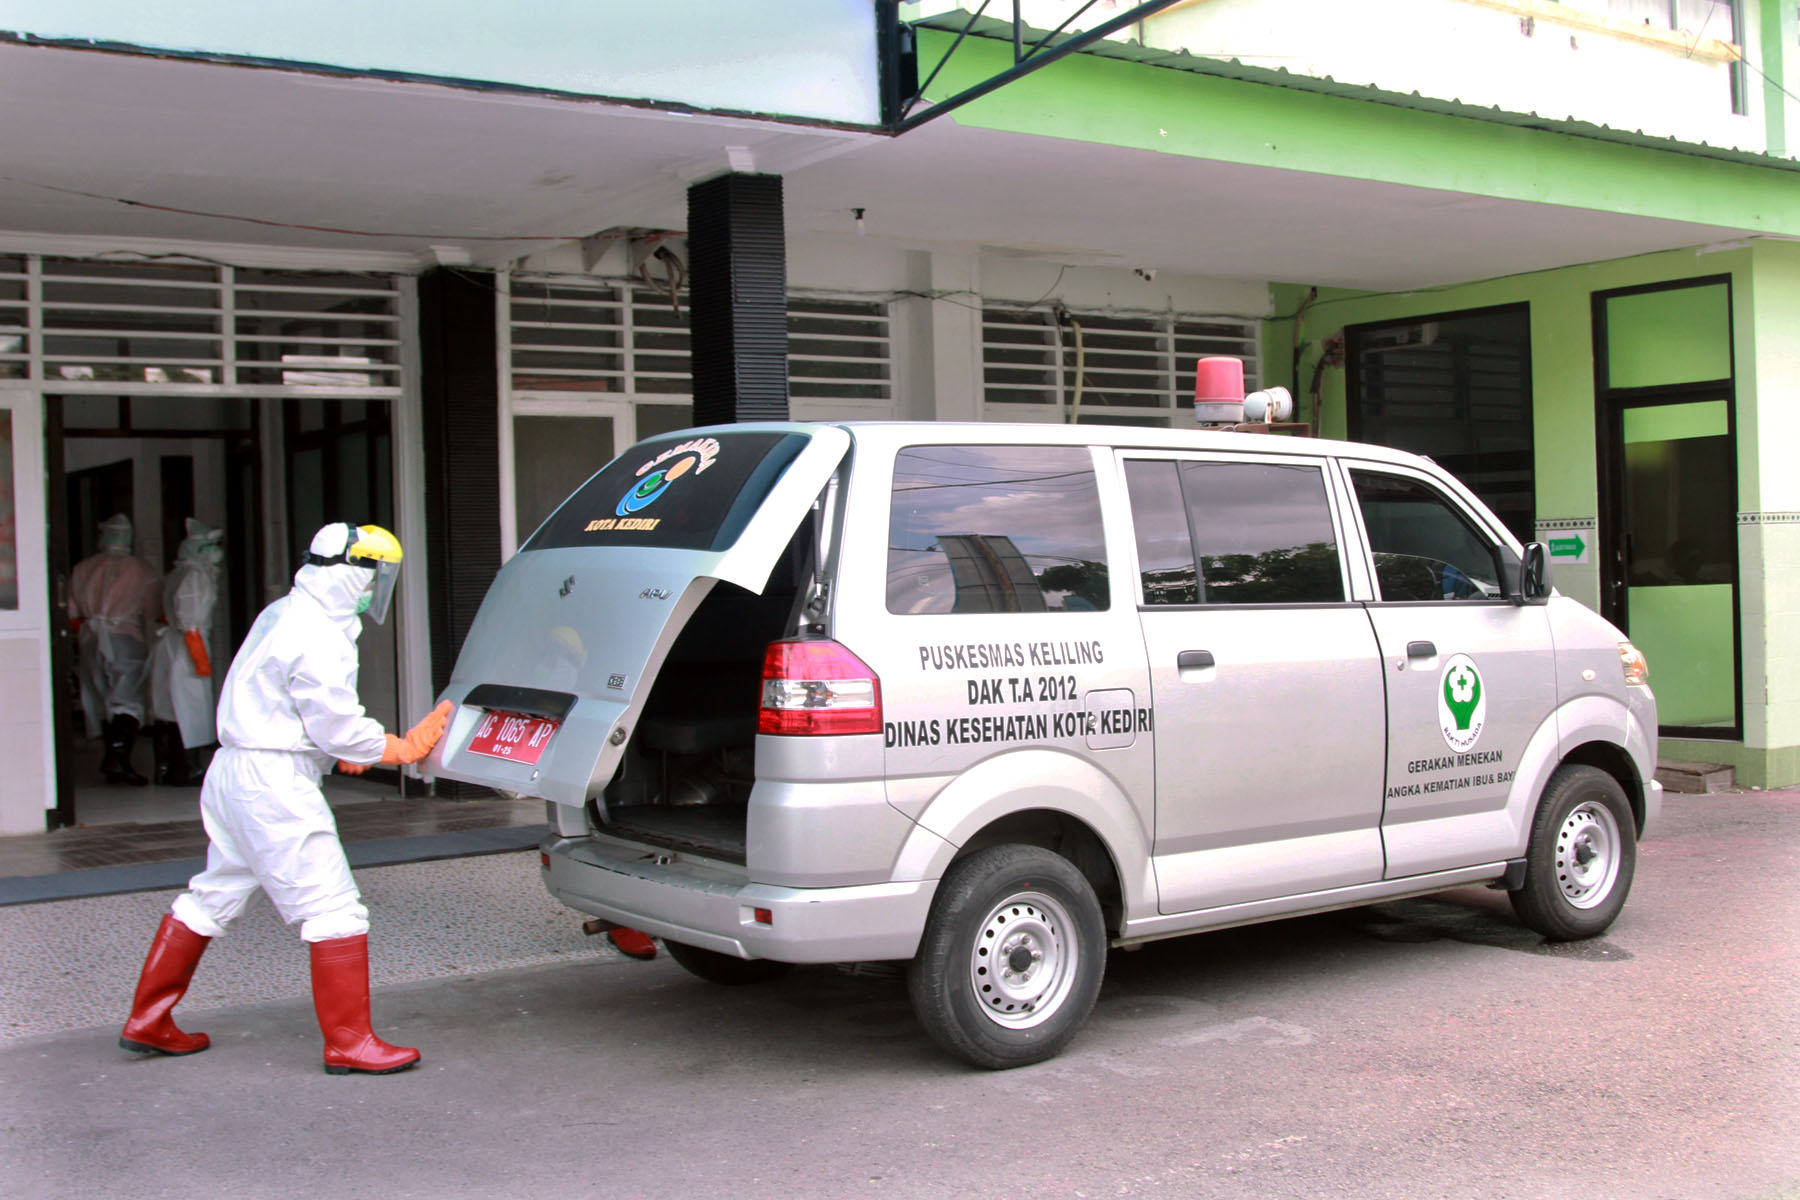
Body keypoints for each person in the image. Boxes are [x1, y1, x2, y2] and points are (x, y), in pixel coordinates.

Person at [119, 522, 453, 1076]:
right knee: (334, 909)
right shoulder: (320, 633)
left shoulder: (287, 611)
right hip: (272, 784)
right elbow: (336, 720)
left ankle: (148, 1021)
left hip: (236, 771)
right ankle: (349, 1041)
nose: (375, 590)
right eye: (374, 576)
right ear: (352, 572)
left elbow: (286, 700)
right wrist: (392, 747)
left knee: (212, 896)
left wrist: (333, 747)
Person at [68, 513, 162, 785]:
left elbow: (72, 614)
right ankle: (117, 760)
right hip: (125, 639)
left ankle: (113, 756)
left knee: (100, 697)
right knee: (127, 698)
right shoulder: (141, 570)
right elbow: (152, 611)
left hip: (90, 639)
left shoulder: (83, 568)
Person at [149, 518, 225, 786]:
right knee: (191, 705)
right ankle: (188, 767)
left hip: (173, 643)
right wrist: (199, 657)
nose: (216, 550)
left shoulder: (177, 573)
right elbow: (191, 618)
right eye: (211, 545)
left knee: (169, 706)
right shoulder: (196, 576)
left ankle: (166, 767)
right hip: (187, 645)